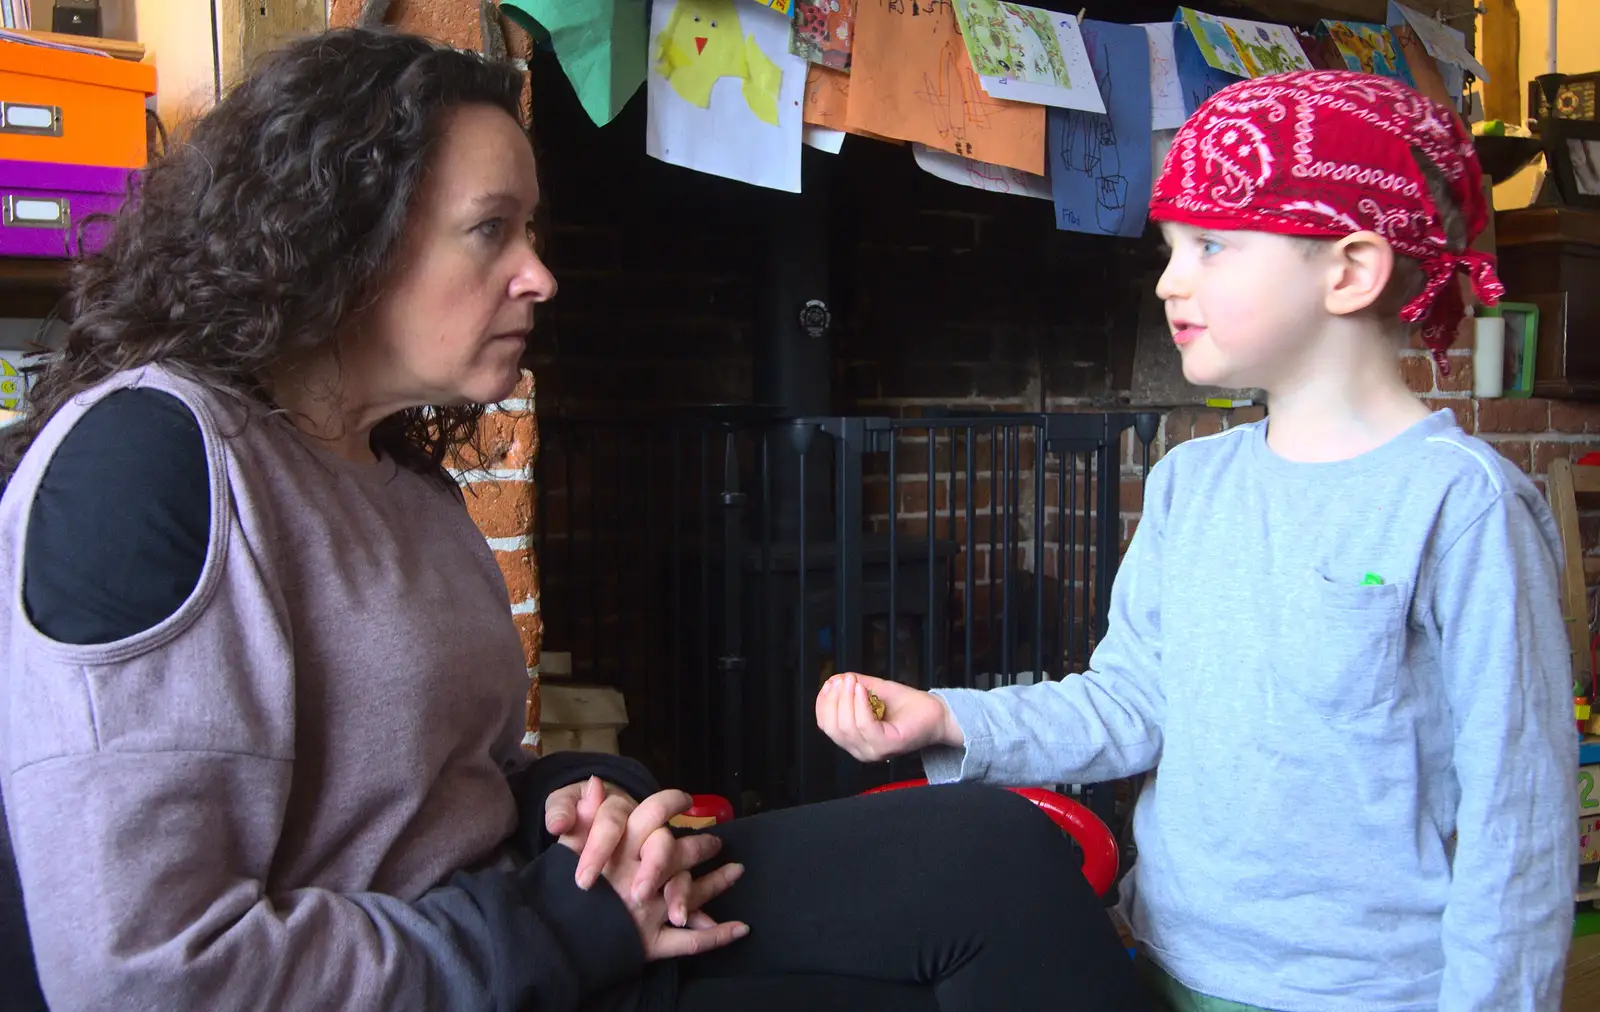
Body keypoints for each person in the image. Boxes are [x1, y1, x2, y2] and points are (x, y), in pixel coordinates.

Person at [0, 26, 1150, 1012]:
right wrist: (553, 934)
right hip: (484, 968)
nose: (539, 274)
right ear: (337, 234)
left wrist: (576, 800)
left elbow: (451, 779)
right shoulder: (151, 467)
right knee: (983, 905)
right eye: (489, 229)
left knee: (996, 849)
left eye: (533, 230)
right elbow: (147, 974)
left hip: (527, 923)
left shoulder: (398, 475)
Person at [821, 71, 1578, 1012]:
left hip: (1371, 993)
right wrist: (952, 718)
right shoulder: (1191, 481)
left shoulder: (1461, 508)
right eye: (1172, 246)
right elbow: (1136, 702)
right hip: (1169, 962)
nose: (1170, 278)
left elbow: (1521, 821)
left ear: (1349, 269)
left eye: (1211, 244)